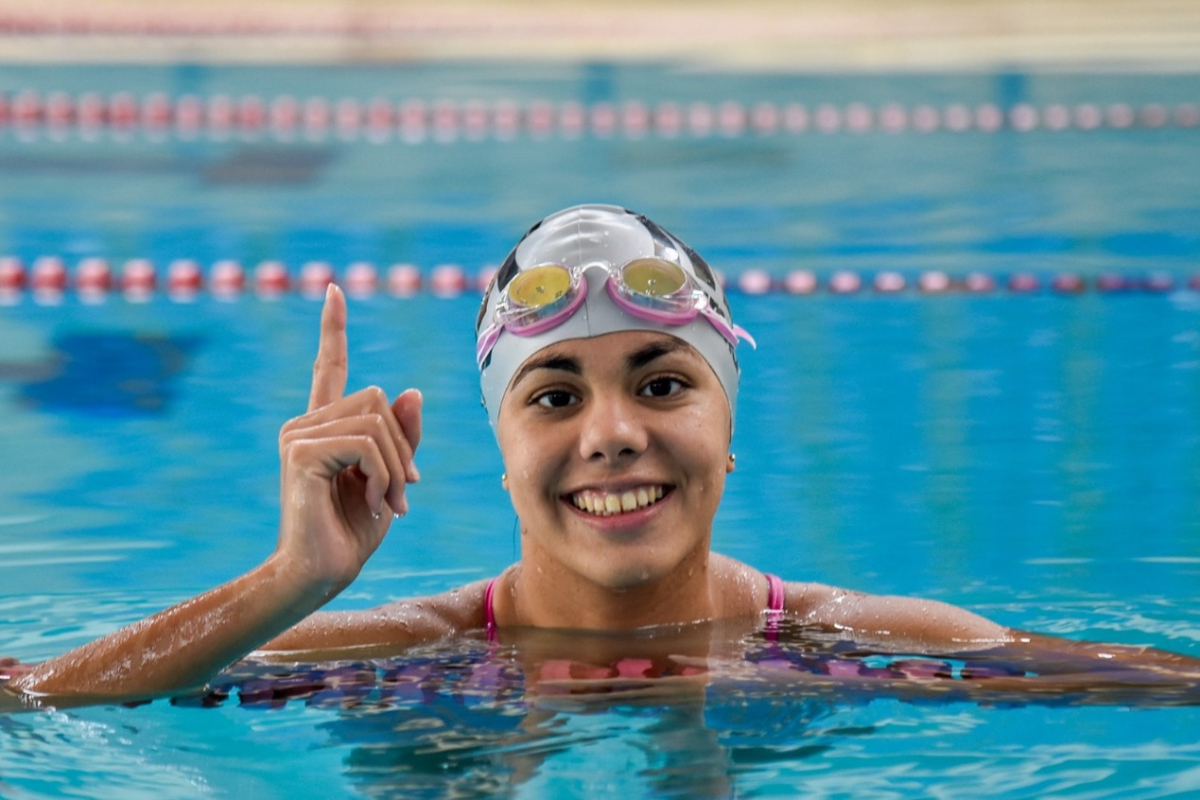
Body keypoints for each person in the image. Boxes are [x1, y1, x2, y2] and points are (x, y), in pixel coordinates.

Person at [3, 204, 1198, 708]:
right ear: (503, 446)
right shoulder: (408, 651)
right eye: (555, 392)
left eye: (665, 381)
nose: (613, 431)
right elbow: (26, 696)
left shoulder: (859, 642)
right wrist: (286, 586)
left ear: (730, 426)